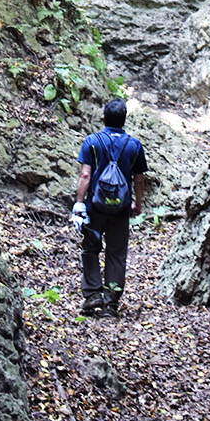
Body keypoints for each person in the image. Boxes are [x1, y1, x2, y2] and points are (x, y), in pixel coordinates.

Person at [72, 97, 147, 317]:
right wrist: (137, 203)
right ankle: (111, 303)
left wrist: (79, 203)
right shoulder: (134, 145)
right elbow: (139, 179)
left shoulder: (92, 141)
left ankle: (93, 294)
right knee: (116, 253)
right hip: (121, 210)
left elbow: (85, 174)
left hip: (95, 207)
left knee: (90, 249)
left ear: (103, 118)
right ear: (124, 121)